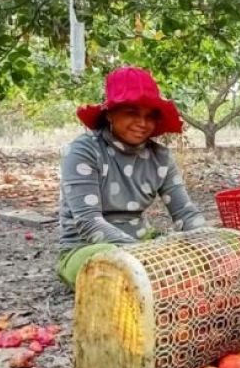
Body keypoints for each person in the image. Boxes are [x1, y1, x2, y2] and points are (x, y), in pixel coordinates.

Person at [55, 66, 206, 288]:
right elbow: (88, 222)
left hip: (142, 244)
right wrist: (146, 257)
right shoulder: (84, 152)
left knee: (197, 262)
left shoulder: (160, 157)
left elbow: (184, 213)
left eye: (150, 116)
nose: (142, 123)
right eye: (132, 113)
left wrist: (210, 241)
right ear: (109, 113)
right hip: (88, 249)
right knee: (118, 271)